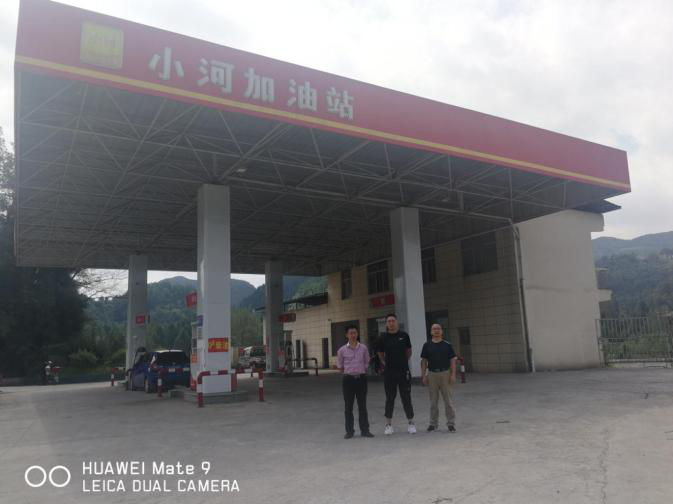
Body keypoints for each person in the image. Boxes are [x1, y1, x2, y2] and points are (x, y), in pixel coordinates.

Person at [376, 314, 416, 435]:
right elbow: (380, 354)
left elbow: (408, 352)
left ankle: (411, 423)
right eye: (389, 321)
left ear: (397, 322)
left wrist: (401, 362)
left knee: (406, 397)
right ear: (386, 324)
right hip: (389, 372)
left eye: (393, 321)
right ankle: (388, 425)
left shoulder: (404, 335)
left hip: (403, 371)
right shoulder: (383, 338)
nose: (391, 323)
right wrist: (387, 363)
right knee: (390, 398)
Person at [336, 325, 374, 439]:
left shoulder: (363, 348)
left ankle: (365, 430)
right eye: (351, 333)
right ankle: (349, 431)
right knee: (348, 407)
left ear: (357, 334)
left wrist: (361, 370)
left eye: (355, 333)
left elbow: (367, 362)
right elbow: (340, 366)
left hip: (361, 379)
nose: (353, 335)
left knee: (362, 406)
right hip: (348, 380)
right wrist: (349, 373)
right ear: (346, 335)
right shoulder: (342, 350)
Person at [420, 323, 457, 432]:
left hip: (446, 374)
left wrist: (453, 374)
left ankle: (451, 424)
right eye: (434, 329)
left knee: (448, 401)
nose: (436, 330)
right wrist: (424, 375)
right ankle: (433, 424)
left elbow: (452, 361)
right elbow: (424, 361)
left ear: (441, 331)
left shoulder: (447, 345)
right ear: (431, 332)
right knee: (433, 401)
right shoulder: (427, 345)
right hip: (432, 375)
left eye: (438, 328)